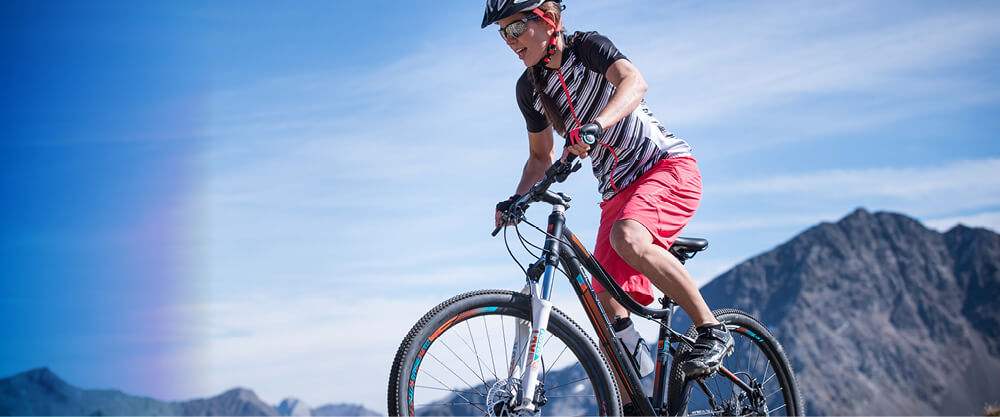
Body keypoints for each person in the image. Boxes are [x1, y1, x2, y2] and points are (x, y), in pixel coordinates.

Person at [483, 0, 734, 406]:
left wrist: (597, 125)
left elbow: (634, 82)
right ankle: (638, 397)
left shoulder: (588, 48)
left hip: (665, 167)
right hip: (617, 192)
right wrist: (516, 199)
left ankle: (711, 330)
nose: (509, 41)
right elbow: (540, 157)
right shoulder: (530, 89)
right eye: (502, 33)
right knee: (604, 299)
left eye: (515, 28)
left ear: (548, 20)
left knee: (627, 237)